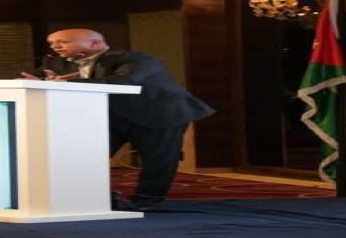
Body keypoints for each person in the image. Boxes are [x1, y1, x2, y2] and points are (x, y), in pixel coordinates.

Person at [21, 28, 215, 211]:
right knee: (86, 155)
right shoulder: (56, 63)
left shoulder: (136, 59)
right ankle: (89, 196)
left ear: (95, 43)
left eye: (63, 42)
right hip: (111, 115)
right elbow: (34, 79)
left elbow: (123, 82)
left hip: (158, 112)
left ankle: (147, 200)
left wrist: (66, 82)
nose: (55, 47)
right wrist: (33, 82)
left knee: (157, 160)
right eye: (52, 43)